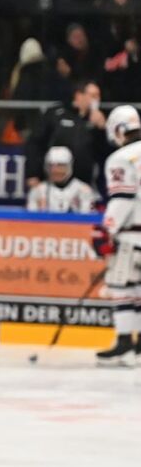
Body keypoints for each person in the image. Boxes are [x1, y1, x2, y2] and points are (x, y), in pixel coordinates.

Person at [95, 104, 141, 365]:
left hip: (132, 235)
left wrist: (107, 228)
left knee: (121, 285)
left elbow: (123, 197)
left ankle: (125, 343)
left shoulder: (123, 158)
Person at [26, 79, 112, 190]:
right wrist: (32, 174)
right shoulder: (55, 113)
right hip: (52, 184)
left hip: (84, 186)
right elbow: (35, 144)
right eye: (93, 95)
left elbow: (104, 153)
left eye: (98, 96)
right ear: (79, 95)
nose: (97, 100)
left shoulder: (98, 120)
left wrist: (102, 129)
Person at [26, 146, 97, 212]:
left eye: (61, 166)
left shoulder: (84, 190)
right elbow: (30, 220)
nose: (55, 170)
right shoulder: (37, 191)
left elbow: (88, 219)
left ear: (69, 166)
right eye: (51, 166)